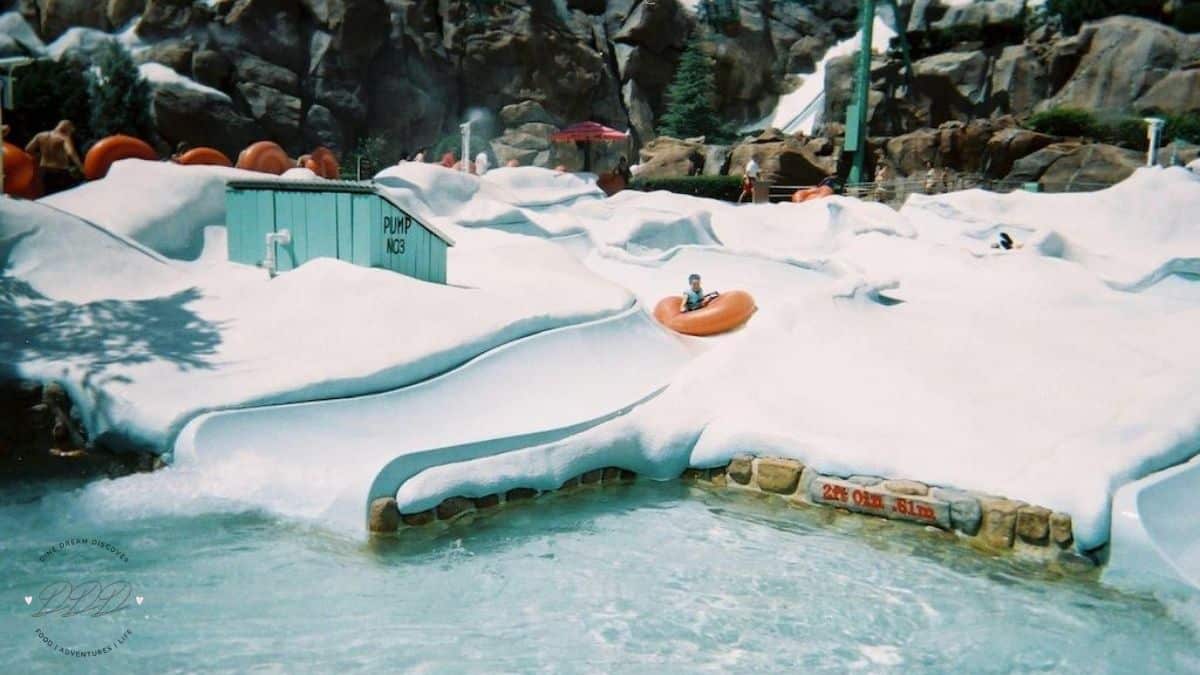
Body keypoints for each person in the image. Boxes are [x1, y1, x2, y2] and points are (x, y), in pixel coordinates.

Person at [25, 120, 84, 195]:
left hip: (45, 173)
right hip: (60, 173)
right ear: (66, 129)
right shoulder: (64, 138)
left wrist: (41, 156)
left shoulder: (40, 135)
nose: (70, 134)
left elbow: (28, 149)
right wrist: (81, 168)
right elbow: (71, 153)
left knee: (50, 197)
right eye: (70, 131)